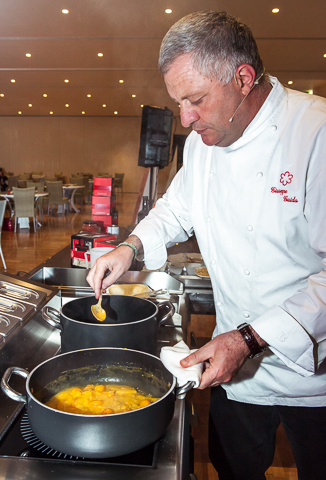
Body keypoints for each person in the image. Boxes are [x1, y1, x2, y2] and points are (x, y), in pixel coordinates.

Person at [87, 11, 326, 480]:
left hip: (315, 371)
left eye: (195, 99)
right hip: (234, 368)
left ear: (243, 78)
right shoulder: (201, 144)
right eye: (178, 102)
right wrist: (130, 247)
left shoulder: (315, 133)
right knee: (233, 467)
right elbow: (177, 210)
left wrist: (251, 338)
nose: (185, 118)